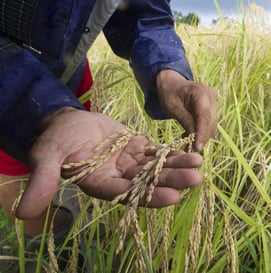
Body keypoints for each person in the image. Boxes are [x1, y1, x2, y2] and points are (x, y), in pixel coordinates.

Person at [0, 0, 217, 269]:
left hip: (70, 77)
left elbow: (144, 12)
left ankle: (82, 232)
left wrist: (167, 72)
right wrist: (44, 112)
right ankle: (56, 254)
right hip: (6, 93)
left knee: (76, 164)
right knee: (18, 191)